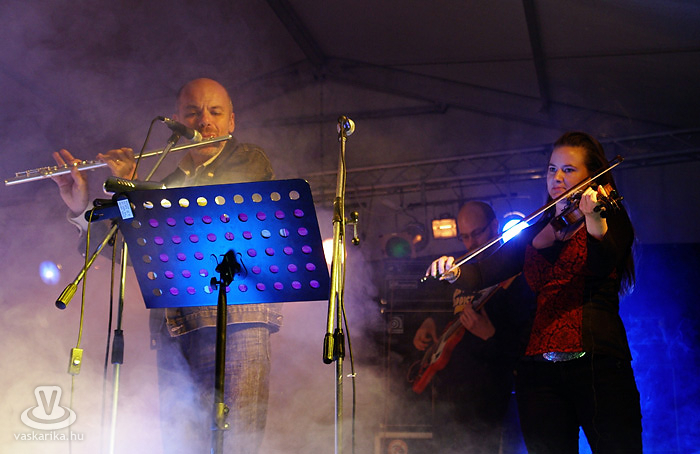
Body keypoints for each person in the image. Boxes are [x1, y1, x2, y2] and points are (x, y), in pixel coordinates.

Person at [51, 78, 282, 454]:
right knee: (180, 445)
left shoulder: (249, 159)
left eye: (215, 112)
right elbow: (127, 249)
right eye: (192, 112)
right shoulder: (168, 181)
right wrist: (81, 205)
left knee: (235, 443)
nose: (204, 121)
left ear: (231, 122)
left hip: (235, 324)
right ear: (177, 121)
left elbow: (213, 216)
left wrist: (135, 186)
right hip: (174, 328)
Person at [426, 131, 642, 454]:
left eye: (569, 170)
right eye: (552, 169)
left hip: (598, 365)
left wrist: (594, 219)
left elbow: (601, 264)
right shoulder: (539, 227)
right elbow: (484, 272)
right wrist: (453, 271)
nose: (557, 178)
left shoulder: (610, 217)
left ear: (591, 175)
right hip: (538, 373)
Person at [413, 201, 534, 454]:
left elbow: (525, 346)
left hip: (493, 396)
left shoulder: (515, 271)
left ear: (495, 226)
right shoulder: (461, 269)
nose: (471, 243)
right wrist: (430, 321)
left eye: (477, 233)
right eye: (464, 237)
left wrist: (490, 335)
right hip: (452, 392)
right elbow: (444, 307)